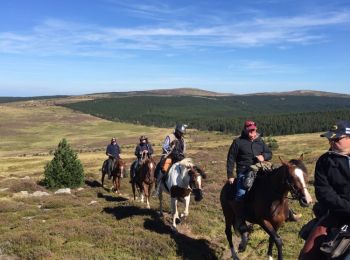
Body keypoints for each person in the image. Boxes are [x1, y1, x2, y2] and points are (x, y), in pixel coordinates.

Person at [299, 120, 350, 259]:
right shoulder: (324, 161)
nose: (331, 143)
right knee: (307, 255)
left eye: (336, 139)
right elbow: (324, 193)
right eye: (330, 139)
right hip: (336, 214)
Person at [226, 120, 273, 243]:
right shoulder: (238, 142)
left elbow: (269, 153)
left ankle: (287, 212)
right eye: (250, 130)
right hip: (244, 171)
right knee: (241, 193)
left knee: (275, 183)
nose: (252, 132)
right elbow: (231, 159)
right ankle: (240, 221)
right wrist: (230, 175)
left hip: (260, 169)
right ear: (245, 130)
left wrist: (264, 157)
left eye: (254, 130)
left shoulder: (260, 141)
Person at [153, 123, 187, 196]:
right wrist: (171, 150)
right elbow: (165, 146)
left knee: (188, 167)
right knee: (164, 168)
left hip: (179, 157)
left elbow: (184, 149)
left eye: (182, 133)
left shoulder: (182, 140)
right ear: (177, 131)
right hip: (170, 156)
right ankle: (157, 188)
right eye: (180, 133)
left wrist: (182, 155)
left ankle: (189, 187)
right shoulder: (170, 137)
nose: (181, 134)